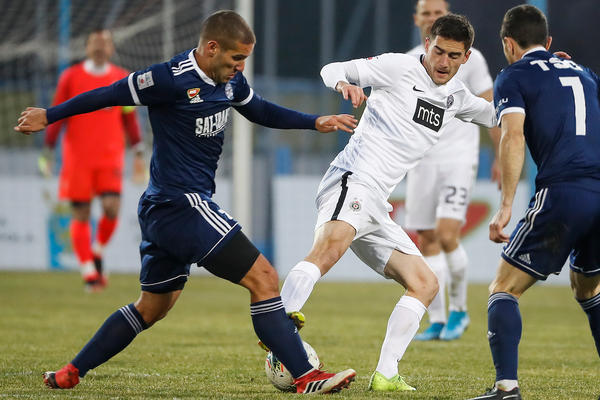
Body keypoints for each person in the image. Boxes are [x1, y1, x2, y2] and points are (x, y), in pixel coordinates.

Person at [15, 10, 358, 394]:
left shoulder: (230, 81)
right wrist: (50, 115)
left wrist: (314, 121)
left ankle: (70, 371)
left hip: (166, 210)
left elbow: (260, 109)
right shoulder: (167, 79)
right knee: (264, 277)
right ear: (212, 48)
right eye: (236, 58)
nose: (240, 67)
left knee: (151, 307)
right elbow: (108, 94)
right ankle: (306, 376)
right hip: (179, 203)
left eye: (244, 59)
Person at [280, 14, 496, 392]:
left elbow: (497, 114)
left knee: (425, 283)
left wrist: (538, 90)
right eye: (439, 51)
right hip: (353, 179)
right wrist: (344, 83)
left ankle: (386, 374)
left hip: (377, 203)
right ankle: (278, 326)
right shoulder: (398, 67)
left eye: (453, 55)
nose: (443, 62)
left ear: (466, 57)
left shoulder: (456, 97)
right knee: (329, 249)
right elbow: (332, 69)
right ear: (427, 44)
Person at [468, 5, 600, 400]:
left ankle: (506, 388)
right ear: (549, 41)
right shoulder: (585, 74)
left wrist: (506, 205)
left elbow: (513, 136)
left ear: (508, 44)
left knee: (504, 288)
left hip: (564, 191)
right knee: (587, 287)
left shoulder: (513, 75)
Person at [407, 0, 501, 342]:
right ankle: (437, 318)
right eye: (426, 12)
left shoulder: (470, 59)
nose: (432, 17)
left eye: (438, 12)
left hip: (458, 158)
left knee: (447, 234)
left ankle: (459, 310)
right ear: (417, 19)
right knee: (427, 238)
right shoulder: (408, 61)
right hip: (421, 161)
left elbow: (491, 105)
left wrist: (501, 156)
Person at [42, 29, 146, 291]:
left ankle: (97, 251)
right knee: (81, 213)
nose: (100, 47)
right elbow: (57, 114)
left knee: (111, 207)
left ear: (111, 48)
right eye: (95, 43)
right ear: (86, 47)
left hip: (110, 157)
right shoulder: (70, 77)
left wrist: (138, 150)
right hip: (78, 158)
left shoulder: (121, 78)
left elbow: (129, 117)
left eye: (105, 43)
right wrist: (48, 150)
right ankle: (88, 271)